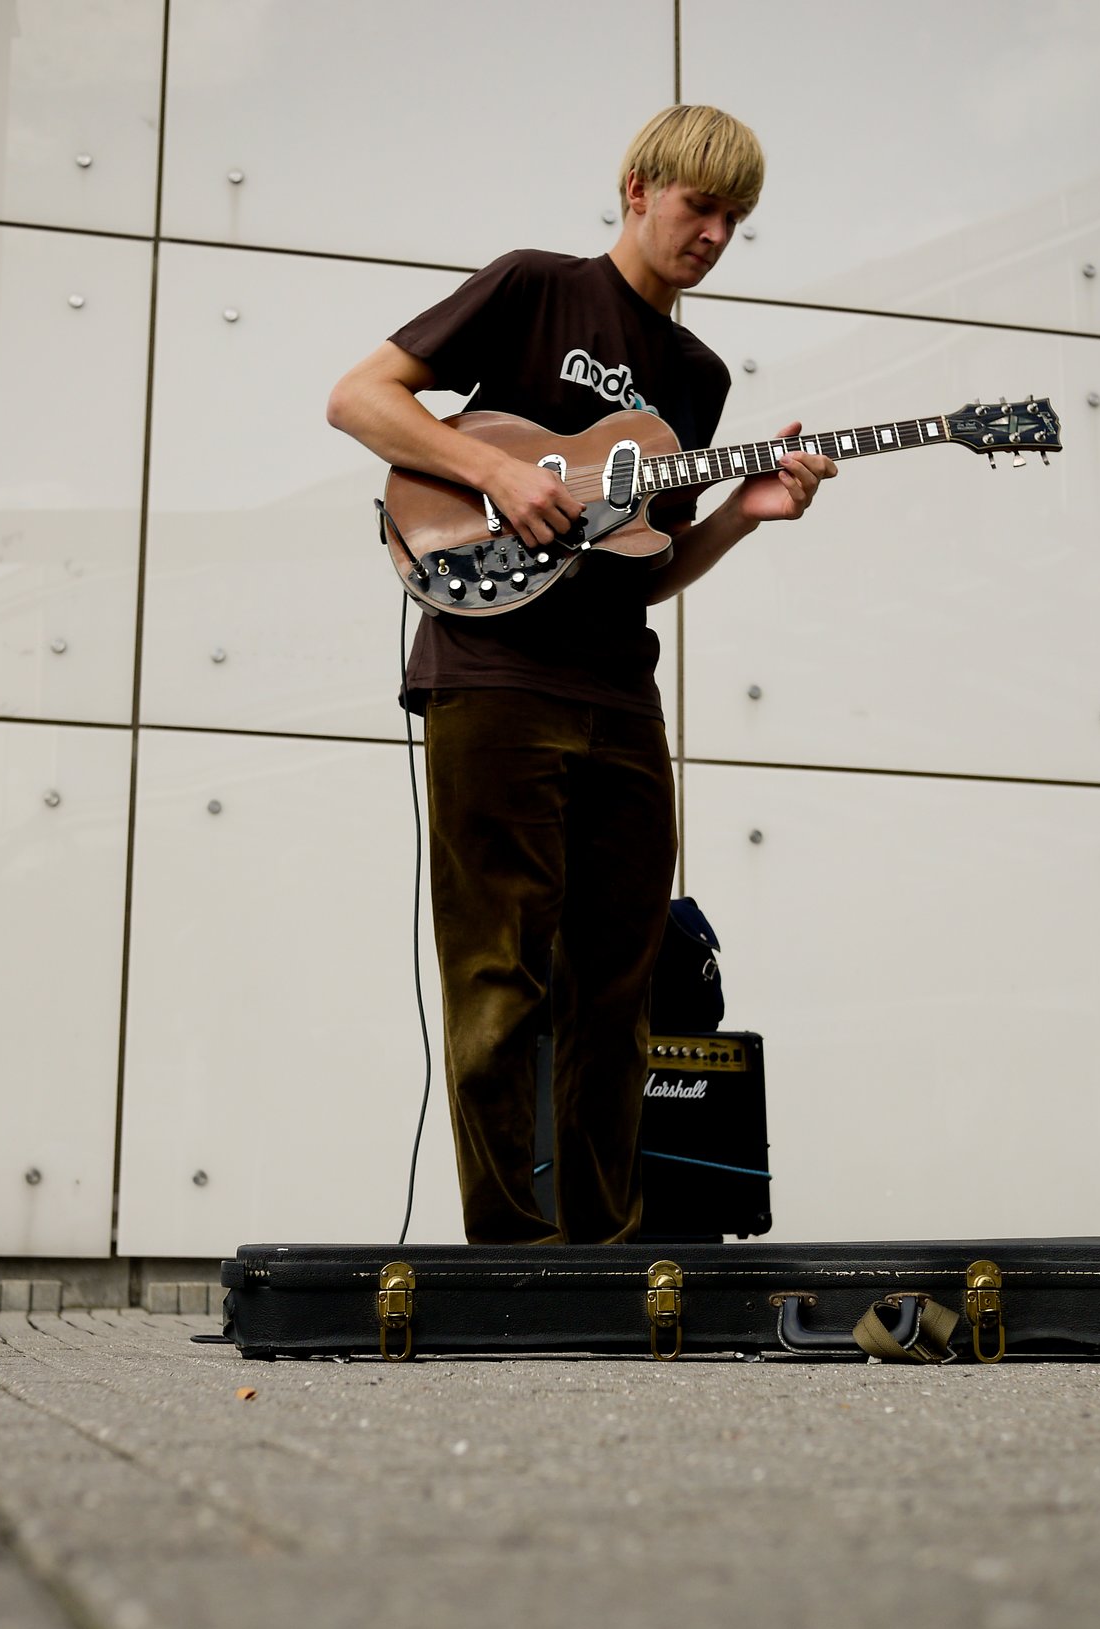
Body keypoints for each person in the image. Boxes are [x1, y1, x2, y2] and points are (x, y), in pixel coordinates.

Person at [327, 104, 836, 1245]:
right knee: (499, 980)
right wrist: (488, 474)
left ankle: (608, 1257)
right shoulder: (530, 287)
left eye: (734, 220)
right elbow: (358, 397)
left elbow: (642, 566)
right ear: (637, 187)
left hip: (617, 694)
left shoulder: (694, 377)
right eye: (699, 205)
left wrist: (746, 519)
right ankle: (511, 1253)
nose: (712, 233)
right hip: (490, 674)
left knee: (617, 991)